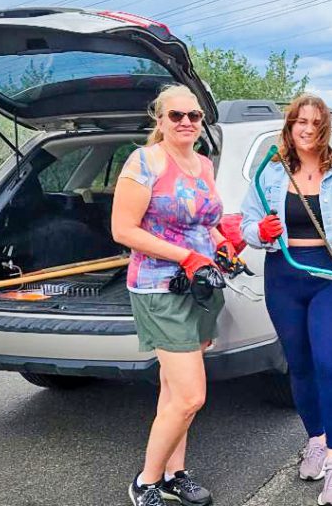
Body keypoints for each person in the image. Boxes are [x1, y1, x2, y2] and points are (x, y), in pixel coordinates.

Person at [239, 94, 332, 506]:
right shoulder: (269, 172)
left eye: (316, 124)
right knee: (299, 366)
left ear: (325, 130)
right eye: (301, 122)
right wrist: (259, 232)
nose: (308, 129)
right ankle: (315, 440)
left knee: (330, 365)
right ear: (290, 125)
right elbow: (249, 222)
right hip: (284, 276)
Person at [112, 84, 237, 506]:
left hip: (201, 286)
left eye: (194, 116)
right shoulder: (144, 161)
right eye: (176, 116)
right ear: (159, 120)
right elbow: (124, 230)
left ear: (202, 122)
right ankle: (145, 482)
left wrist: (222, 241)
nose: (185, 122)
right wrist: (187, 257)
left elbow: (204, 221)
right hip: (158, 287)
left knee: (172, 391)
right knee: (190, 396)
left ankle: (172, 474)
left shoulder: (202, 163)